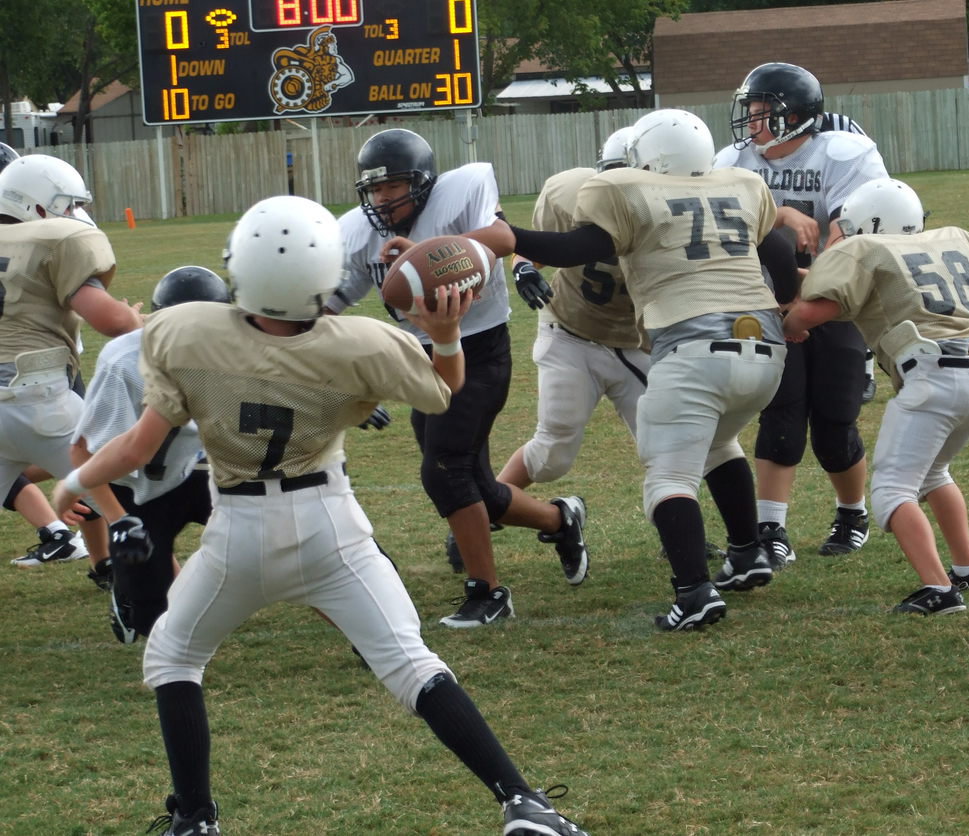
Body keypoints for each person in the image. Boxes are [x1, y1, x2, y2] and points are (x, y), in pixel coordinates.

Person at [51, 196, 590, 836]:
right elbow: (444, 392)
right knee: (411, 664)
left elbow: (138, 447)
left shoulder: (182, 331)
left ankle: (194, 818)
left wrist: (74, 483)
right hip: (330, 526)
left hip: (239, 535)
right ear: (325, 279)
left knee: (173, 657)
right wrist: (445, 336)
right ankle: (521, 801)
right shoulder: (360, 343)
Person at [472, 108, 801, 631]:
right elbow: (779, 254)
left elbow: (582, 245)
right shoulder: (736, 185)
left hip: (686, 346)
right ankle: (748, 552)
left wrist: (513, 240)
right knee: (717, 444)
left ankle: (694, 592)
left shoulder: (627, 192)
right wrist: (792, 309)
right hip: (762, 345)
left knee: (668, 475)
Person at [327, 128, 588, 628]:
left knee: (445, 468)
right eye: (375, 189)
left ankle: (487, 592)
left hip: (481, 350)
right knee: (476, 483)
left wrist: (428, 253)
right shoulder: (362, 233)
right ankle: (560, 519)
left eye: (393, 186)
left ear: (423, 182)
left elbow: (502, 238)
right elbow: (331, 304)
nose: (382, 199)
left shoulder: (460, 193)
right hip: (422, 358)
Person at [784, 178, 969, 614]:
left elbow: (815, 311)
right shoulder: (956, 240)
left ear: (868, 223)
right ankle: (967, 570)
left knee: (891, 491)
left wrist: (790, 325)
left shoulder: (864, 248)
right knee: (934, 474)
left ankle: (939, 590)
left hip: (931, 378)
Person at [714, 61, 889, 567]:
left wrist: (807, 290)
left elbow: (851, 234)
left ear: (796, 115)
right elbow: (727, 226)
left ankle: (852, 513)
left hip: (834, 301)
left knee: (836, 419)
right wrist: (780, 214)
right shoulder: (735, 159)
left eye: (761, 111)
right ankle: (771, 528)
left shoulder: (844, 153)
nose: (750, 122)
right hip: (765, 300)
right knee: (781, 412)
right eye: (750, 110)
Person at [69, 266, 231, 645]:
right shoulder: (124, 360)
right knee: (150, 616)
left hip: (210, 470)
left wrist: (333, 399)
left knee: (292, 547)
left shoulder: (241, 346)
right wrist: (118, 519)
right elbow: (82, 451)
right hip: (142, 486)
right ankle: (130, 591)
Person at [0, 153, 142, 581]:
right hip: (37, 394)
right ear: (37, 206)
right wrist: (134, 319)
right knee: (132, 497)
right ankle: (148, 592)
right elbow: (112, 322)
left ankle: (102, 563)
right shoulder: (52, 243)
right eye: (68, 204)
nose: (76, 215)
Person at [496, 126, 650, 491]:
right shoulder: (572, 195)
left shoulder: (674, 215)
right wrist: (523, 267)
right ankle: (485, 512)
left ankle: (678, 532)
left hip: (636, 341)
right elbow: (540, 246)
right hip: (571, 332)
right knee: (552, 452)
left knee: (667, 444)